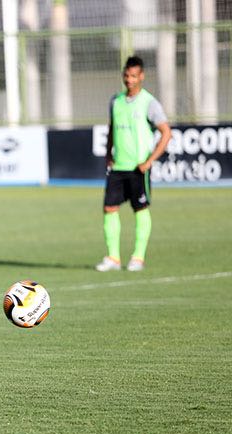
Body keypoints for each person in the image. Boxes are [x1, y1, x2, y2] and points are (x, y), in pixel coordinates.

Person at [96, 56, 171, 272]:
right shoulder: (116, 101)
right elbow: (111, 129)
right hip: (118, 166)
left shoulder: (149, 102)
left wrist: (149, 161)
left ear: (142, 77)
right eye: (126, 75)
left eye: (133, 76)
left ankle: (138, 258)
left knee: (140, 209)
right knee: (109, 208)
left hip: (138, 168)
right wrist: (108, 153)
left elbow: (166, 133)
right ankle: (113, 258)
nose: (129, 80)